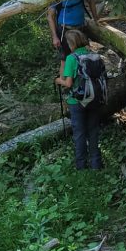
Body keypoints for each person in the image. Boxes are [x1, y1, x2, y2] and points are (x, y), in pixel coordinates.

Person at [55, 30, 103, 170]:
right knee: (93, 131)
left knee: (80, 133)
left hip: (76, 101)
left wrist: (58, 80)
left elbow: (68, 83)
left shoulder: (71, 58)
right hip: (94, 98)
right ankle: (96, 164)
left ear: (71, 43)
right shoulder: (95, 56)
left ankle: (81, 166)